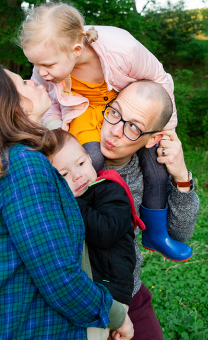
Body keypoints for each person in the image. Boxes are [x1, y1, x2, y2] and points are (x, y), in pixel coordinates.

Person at [0, 80, 200, 340]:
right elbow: (16, 203)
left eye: (133, 127)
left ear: (152, 138)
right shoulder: (60, 145)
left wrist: (181, 178)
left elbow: (178, 234)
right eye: (115, 113)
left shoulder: (148, 171)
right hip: (71, 298)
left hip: (125, 290)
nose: (116, 131)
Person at [0, 63, 133, 340]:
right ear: (14, 109)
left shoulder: (5, 163)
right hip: (33, 327)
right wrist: (117, 316)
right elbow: (60, 279)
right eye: (24, 83)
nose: (36, 82)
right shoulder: (24, 165)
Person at [18, 2, 191, 261]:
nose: (40, 73)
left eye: (47, 65)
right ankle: (76, 233)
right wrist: (57, 130)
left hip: (125, 110)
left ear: (76, 50)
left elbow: (161, 81)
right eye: (34, 64)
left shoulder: (123, 49)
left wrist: (167, 129)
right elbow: (51, 105)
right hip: (83, 113)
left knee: (157, 167)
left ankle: (156, 233)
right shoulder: (45, 68)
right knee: (90, 160)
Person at [49, 130, 145, 340]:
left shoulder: (110, 189)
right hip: (86, 290)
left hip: (111, 289)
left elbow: (106, 232)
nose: (77, 176)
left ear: (90, 159)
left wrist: (70, 202)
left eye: (81, 164)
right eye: (64, 175)